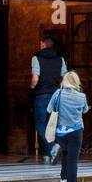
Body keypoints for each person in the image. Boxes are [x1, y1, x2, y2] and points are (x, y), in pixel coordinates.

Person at [46, 72, 90, 182]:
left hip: (60, 132)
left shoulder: (58, 93)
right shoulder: (81, 96)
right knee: (73, 161)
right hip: (76, 131)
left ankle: (63, 177)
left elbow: (49, 110)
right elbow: (85, 110)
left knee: (65, 152)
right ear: (76, 82)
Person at [29, 33, 67, 162]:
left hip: (42, 95)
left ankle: (53, 147)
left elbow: (35, 78)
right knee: (51, 125)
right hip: (56, 96)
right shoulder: (60, 59)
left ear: (44, 44)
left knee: (40, 124)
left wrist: (32, 87)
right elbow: (64, 78)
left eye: (41, 43)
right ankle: (48, 155)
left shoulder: (36, 58)